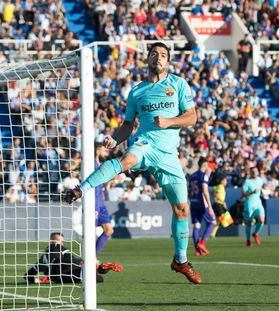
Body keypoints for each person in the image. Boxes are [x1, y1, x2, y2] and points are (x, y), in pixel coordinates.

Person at [65, 42, 202, 284]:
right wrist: (114, 138)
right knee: (127, 159)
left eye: (163, 55)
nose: (158, 58)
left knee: (182, 210)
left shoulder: (178, 84)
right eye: (154, 54)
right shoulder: (137, 92)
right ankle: (80, 189)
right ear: (147, 59)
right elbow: (128, 125)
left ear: (168, 62)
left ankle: (180, 261)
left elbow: (192, 117)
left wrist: (169, 122)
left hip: (169, 155)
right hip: (145, 143)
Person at [24, 232, 121, 284]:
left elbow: (27, 276)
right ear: (58, 242)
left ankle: (101, 267)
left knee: (92, 272)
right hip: (68, 273)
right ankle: (101, 267)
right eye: (61, 241)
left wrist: (38, 281)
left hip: (58, 279)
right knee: (98, 278)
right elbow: (70, 260)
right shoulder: (59, 248)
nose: (61, 243)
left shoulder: (41, 260)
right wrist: (83, 263)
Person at [188, 158, 216, 256]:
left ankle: (197, 250)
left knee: (197, 226)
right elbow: (204, 191)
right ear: (204, 165)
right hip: (202, 203)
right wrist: (210, 206)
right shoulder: (203, 176)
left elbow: (189, 191)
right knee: (213, 222)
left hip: (193, 202)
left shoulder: (192, 176)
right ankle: (202, 243)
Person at [94, 143, 115, 257]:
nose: (106, 153)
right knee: (90, 233)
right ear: (97, 151)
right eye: (104, 150)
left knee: (109, 230)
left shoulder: (99, 164)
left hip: (100, 203)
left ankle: (92, 256)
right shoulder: (90, 164)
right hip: (93, 203)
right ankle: (86, 260)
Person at [242, 167, 265, 247]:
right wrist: (252, 192)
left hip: (258, 203)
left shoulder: (260, 180)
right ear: (250, 173)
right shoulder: (247, 181)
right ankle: (248, 240)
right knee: (248, 223)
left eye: (256, 171)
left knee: (262, 220)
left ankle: (255, 234)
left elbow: (262, 188)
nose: (254, 173)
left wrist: (265, 190)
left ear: (258, 172)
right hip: (249, 204)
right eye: (253, 172)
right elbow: (244, 193)